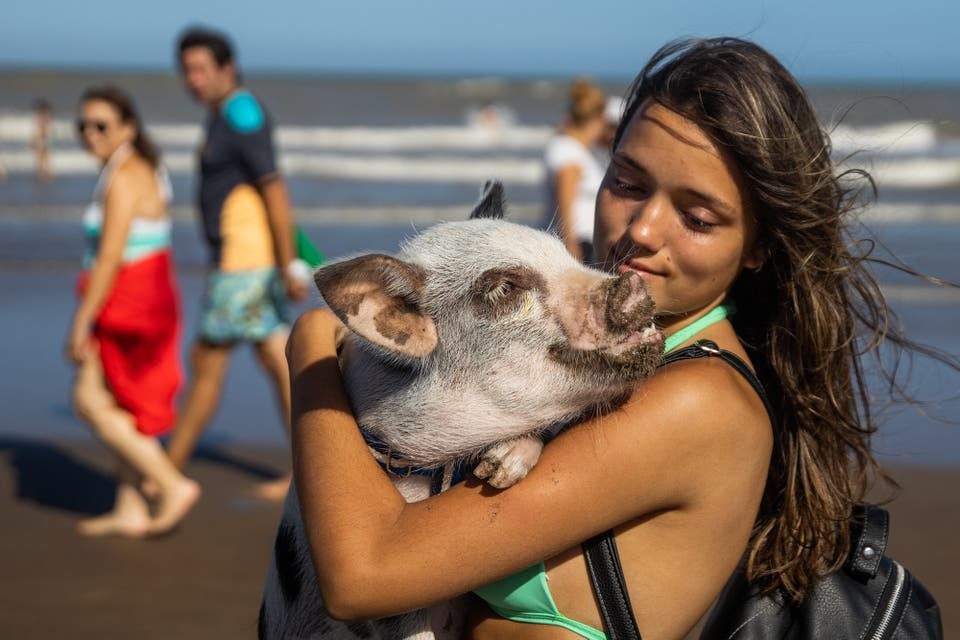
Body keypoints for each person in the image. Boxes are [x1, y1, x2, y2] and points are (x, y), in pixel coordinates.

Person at [283, 38, 958, 640]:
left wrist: (310, 347)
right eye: (627, 183)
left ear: (759, 246)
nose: (641, 230)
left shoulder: (694, 402)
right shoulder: (616, 365)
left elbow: (364, 574)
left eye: (696, 216)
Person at [166, 27, 309, 499]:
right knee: (276, 358)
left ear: (228, 68)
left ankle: (167, 473)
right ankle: (308, 469)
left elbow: (274, 188)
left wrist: (290, 264)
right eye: (186, 70)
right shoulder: (223, 114)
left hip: (244, 262)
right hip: (241, 259)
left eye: (202, 68)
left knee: (208, 359)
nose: (193, 79)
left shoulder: (242, 113)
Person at [67, 86, 199, 538]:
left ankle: (169, 483)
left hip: (130, 301)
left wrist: (82, 320)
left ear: (128, 127)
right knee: (123, 400)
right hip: (148, 295)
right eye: (82, 125)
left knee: (88, 400)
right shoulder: (136, 168)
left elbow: (109, 257)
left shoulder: (124, 175)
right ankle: (130, 506)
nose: (90, 133)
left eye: (100, 125)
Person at [542, 78, 608, 264]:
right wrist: (570, 243)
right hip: (577, 242)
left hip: (581, 240)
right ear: (598, 120)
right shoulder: (568, 150)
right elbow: (565, 199)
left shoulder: (573, 148)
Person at [32, 98, 54, 182]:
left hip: (43, 139)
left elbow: (39, 131)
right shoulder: (47, 117)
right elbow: (48, 130)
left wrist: (34, 140)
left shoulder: (42, 117)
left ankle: (43, 174)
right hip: (45, 139)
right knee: (45, 157)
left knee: (42, 158)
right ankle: (47, 174)